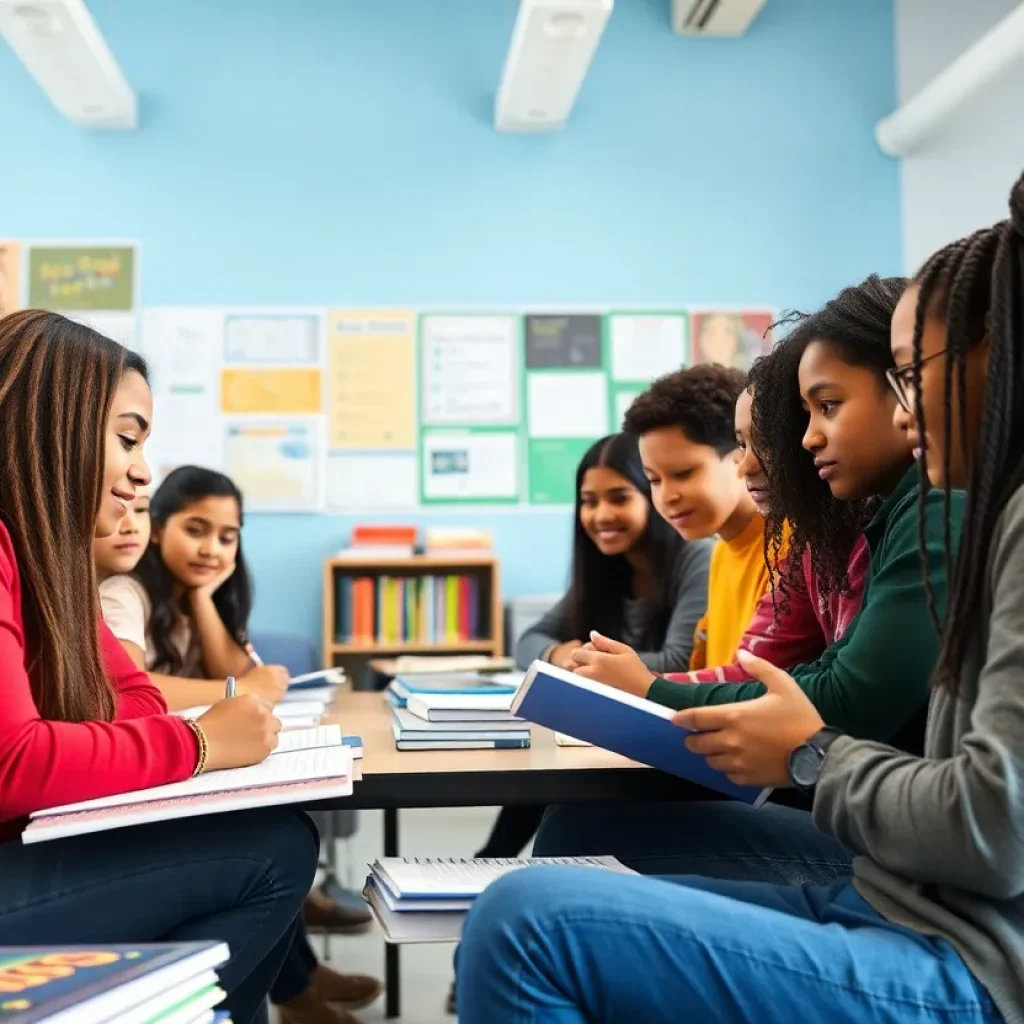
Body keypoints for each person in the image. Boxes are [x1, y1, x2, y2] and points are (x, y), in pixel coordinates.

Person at [455, 172, 1024, 1024]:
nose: (792, 449)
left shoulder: (964, 515)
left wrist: (807, 754)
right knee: (571, 845)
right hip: (901, 891)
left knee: (523, 924)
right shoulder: (953, 517)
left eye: (913, 377)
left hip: (965, 952)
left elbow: (984, 819)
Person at [536, 274, 945, 875]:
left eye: (825, 409)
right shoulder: (839, 531)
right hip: (860, 808)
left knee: (579, 841)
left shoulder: (926, 510)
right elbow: (809, 674)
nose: (803, 441)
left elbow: (840, 698)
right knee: (576, 826)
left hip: (887, 841)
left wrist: (651, 693)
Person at [0, 309, 318, 1024]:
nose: (143, 473)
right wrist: (202, 741)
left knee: (273, 836)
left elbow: (137, 705)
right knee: (273, 850)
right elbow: (12, 764)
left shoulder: (43, 563)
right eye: (126, 440)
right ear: (50, 426)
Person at [94, 466, 382, 1024]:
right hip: (159, 771)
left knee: (273, 808)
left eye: (228, 537)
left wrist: (203, 599)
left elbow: (243, 674)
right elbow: (132, 683)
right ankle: (297, 985)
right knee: (264, 834)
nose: (212, 548)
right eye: (196, 530)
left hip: (196, 761)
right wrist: (238, 690)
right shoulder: (125, 590)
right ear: (157, 526)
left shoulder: (200, 597)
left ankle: (299, 961)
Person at [446, 433, 712, 1013]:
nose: (600, 515)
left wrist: (584, 664)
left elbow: (676, 666)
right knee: (537, 761)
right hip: (608, 744)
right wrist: (562, 655)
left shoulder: (698, 558)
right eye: (588, 501)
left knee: (546, 797)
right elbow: (529, 640)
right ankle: (489, 903)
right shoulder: (604, 574)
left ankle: (488, 906)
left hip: (670, 754)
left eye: (618, 497)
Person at [616, 364, 765, 672]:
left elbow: (750, 685)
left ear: (741, 457)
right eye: (654, 480)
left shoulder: (789, 551)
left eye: (683, 474)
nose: (667, 496)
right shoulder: (721, 553)